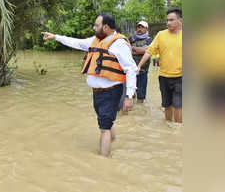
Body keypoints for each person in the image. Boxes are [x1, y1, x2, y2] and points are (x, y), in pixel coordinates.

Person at [42, 13, 137, 157]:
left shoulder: (119, 44)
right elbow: (77, 43)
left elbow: (131, 69)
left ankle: (103, 162)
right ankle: (113, 141)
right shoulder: (96, 40)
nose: (94, 28)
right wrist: (55, 37)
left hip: (111, 92)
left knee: (103, 128)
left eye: (96, 25)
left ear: (106, 27)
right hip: (97, 92)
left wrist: (129, 96)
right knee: (106, 121)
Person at [137, 8, 182, 123]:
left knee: (178, 105)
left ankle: (178, 129)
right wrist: (139, 66)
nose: (168, 23)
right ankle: (169, 129)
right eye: (167, 20)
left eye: (171, 20)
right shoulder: (161, 35)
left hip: (181, 77)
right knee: (167, 105)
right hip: (164, 76)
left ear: (180, 21)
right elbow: (149, 51)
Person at [129, 21, 153, 103]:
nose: (139, 29)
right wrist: (141, 50)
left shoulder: (149, 40)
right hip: (131, 71)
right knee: (130, 95)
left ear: (146, 29)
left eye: (142, 27)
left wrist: (134, 49)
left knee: (141, 97)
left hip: (143, 70)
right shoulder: (131, 38)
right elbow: (127, 50)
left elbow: (147, 50)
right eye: (138, 27)